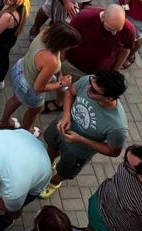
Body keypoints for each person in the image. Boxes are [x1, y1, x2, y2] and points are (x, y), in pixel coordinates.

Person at [40, 71, 128, 199]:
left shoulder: (117, 126)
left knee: (64, 171)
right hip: (60, 126)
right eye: (91, 84)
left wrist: (80, 139)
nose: (88, 88)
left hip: (78, 151)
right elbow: (70, 92)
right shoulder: (89, 80)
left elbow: (112, 151)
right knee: (52, 145)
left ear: (109, 98)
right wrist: (66, 115)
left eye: (94, 90)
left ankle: (54, 183)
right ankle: (48, 165)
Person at [0, 21, 80, 133]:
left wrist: (58, 73)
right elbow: (38, 87)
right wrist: (62, 83)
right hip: (28, 86)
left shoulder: (45, 33)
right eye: (69, 45)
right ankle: (26, 130)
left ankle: (4, 122)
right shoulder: (51, 61)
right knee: (35, 110)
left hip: (20, 69)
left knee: (15, 99)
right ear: (62, 43)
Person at [88, 144, 142, 231]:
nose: (124, 163)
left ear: (141, 176)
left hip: (107, 226)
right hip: (98, 202)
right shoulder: (136, 165)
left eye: (126, 162)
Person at [59, 4, 135, 91]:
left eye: (118, 29)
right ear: (103, 18)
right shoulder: (83, 18)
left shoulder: (129, 30)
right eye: (111, 29)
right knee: (65, 89)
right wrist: (60, 61)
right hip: (73, 65)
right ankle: (60, 103)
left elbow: (125, 50)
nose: (114, 33)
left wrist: (115, 70)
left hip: (100, 73)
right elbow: (67, 39)